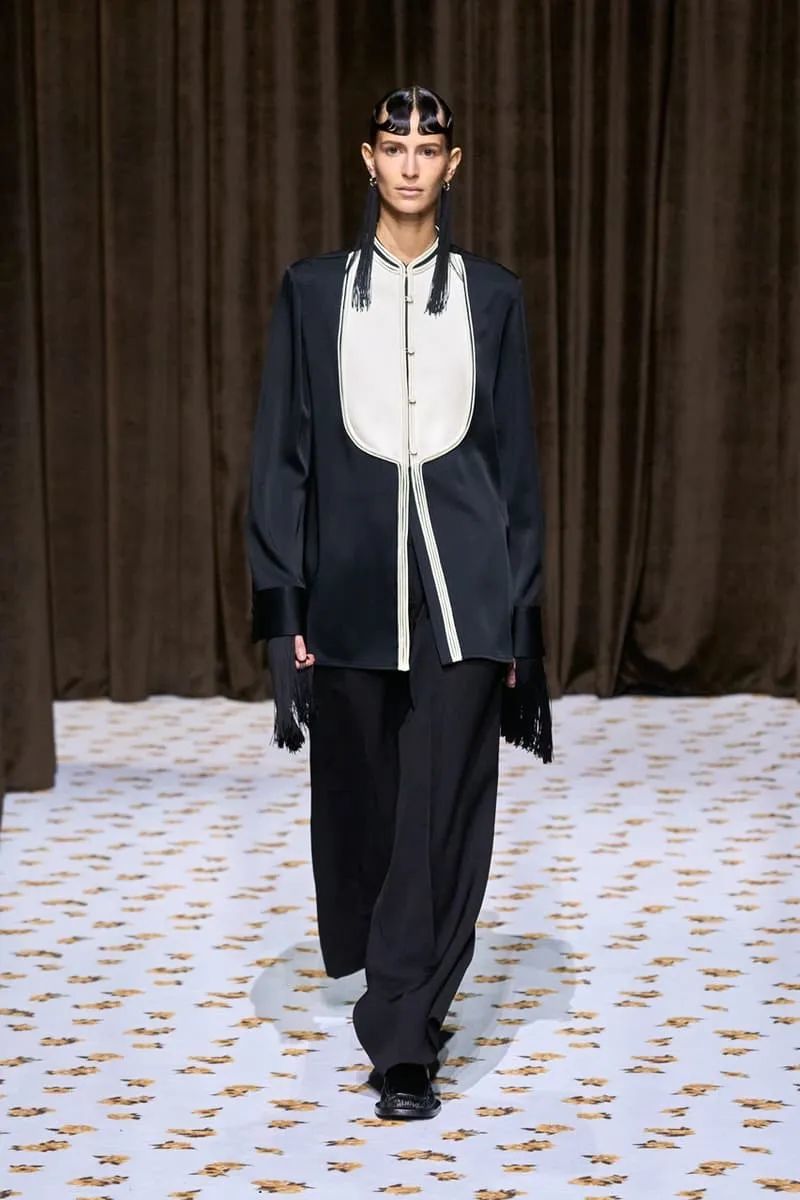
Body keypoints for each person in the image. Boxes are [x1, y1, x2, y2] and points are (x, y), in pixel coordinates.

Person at [246, 84, 552, 1122]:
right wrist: (282, 604)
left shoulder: (492, 296)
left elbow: (515, 468)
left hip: (466, 590)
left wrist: (522, 614)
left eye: (430, 147)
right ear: (367, 159)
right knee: (366, 806)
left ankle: (404, 1036)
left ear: (453, 166)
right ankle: (398, 978)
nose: (412, 163)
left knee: (443, 807)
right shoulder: (313, 292)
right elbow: (282, 457)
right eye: (395, 145)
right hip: (350, 589)